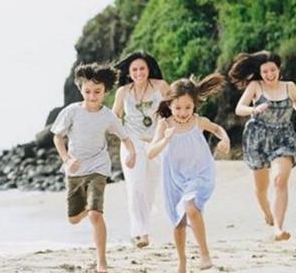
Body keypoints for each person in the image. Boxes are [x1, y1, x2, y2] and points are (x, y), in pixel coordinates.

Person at [51, 63, 137, 273]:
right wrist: (67, 159)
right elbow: (58, 137)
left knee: (95, 215)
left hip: (99, 167)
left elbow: (125, 137)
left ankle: (102, 261)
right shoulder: (71, 112)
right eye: (87, 91)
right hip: (75, 169)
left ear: (106, 91)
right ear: (81, 89)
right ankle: (86, 211)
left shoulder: (108, 116)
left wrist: (132, 153)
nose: (92, 96)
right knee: (73, 219)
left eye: (97, 92)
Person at [147, 74, 229, 272]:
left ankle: (204, 254)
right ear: (169, 105)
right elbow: (150, 153)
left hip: (199, 173)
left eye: (188, 108)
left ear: (194, 106)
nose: (183, 113)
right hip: (174, 178)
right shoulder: (164, 125)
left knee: (191, 207)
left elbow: (217, 129)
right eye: (177, 108)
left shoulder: (198, 122)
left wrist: (225, 139)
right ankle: (182, 260)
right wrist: (165, 140)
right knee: (179, 222)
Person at [228, 51, 296, 241]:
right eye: (265, 71)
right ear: (260, 73)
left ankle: (279, 229)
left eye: (273, 70)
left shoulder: (289, 86)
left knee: (280, 180)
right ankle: (266, 211)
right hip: (258, 137)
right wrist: (254, 109)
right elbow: (239, 108)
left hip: (283, 136)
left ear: (279, 70)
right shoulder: (255, 86)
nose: (269, 74)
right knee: (261, 187)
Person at [112, 51, 169, 248]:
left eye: (142, 68)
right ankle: (141, 232)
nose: (139, 73)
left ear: (148, 69)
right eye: (134, 69)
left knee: (150, 186)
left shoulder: (161, 86)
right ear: (129, 72)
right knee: (135, 186)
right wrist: (123, 139)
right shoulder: (123, 92)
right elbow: (114, 118)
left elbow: (171, 111)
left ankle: (144, 222)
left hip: (156, 141)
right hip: (131, 143)